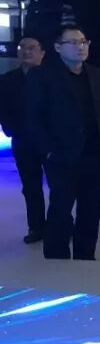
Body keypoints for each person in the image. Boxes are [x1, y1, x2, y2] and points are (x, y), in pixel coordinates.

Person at [24, 26, 100, 260]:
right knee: (61, 209)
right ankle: (57, 259)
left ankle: (86, 257)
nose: (80, 47)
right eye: (73, 43)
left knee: (91, 210)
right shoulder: (42, 75)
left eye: (84, 42)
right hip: (61, 156)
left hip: (96, 155)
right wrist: (48, 151)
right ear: (58, 47)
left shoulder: (97, 75)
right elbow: (33, 117)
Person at [0, 36, 47, 243]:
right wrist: (10, 129)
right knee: (30, 186)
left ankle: (61, 225)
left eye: (32, 48)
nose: (27, 52)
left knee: (60, 186)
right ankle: (36, 227)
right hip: (23, 140)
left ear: (42, 53)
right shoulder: (7, 80)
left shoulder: (53, 78)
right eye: (22, 48)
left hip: (51, 140)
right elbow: (3, 108)